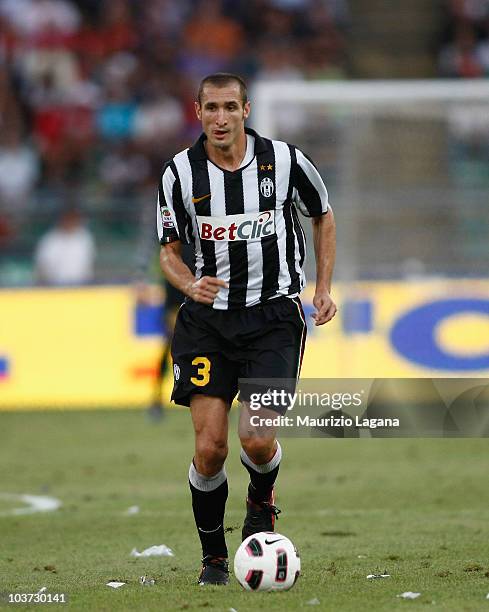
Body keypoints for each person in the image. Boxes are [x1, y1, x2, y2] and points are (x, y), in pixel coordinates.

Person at [157, 73, 336, 586]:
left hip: (274, 317)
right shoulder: (178, 175)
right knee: (210, 448)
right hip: (207, 323)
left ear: (246, 110)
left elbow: (323, 216)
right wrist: (190, 285)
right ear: (198, 112)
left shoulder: (285, 161)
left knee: (256, 440)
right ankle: (214, 557)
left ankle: (261, 501)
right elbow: (168, 251)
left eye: (230, 107)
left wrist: (321, 287)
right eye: (211, 107)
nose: (220, 117)